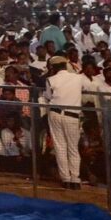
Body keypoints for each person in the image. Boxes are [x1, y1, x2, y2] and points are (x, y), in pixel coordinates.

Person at [42, 54, 90, 187]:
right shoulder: (78, 78)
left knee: (60, 147)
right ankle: (75, 179)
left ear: (53, 67)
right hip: (72, 115)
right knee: (73, 148)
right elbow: (88, 87)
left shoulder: (51, 79)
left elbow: (48, 96)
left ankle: (66, 179)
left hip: (56, 113)